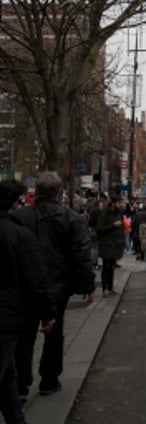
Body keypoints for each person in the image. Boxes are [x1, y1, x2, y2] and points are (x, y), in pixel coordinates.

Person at [14, 172, 94, 399]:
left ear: (36, 191)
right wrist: (87, 284)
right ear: (59, 193)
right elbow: (81, 252)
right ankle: (49, 379)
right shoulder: (69, 218)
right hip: (58, 283)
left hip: (26, 285)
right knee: (55, 333)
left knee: (24, 336)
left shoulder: (21, 216)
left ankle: (21, 384)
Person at [1, 180, 57, 423]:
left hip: (9, 312)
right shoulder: (19, 235)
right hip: (8, 314)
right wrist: (47, 312)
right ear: (15, 204)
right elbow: (35, 277)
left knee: (8, 375)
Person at [93, 197, 125, 298]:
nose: (121, 205)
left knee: (111, 266)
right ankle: (105, 288)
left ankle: (110, 287)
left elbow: (121, 228)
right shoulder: (104, 214)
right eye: (119, 203)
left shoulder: (119, 213)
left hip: (115, 243)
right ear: (113, 203)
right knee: (106, 266)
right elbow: (99, 229)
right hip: (106, 243)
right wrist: (112, 225)